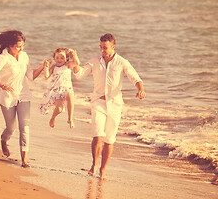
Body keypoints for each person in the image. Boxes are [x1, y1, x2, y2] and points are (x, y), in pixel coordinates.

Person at [74, 33, 146, 180]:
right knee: (98, 135)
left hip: (114, 104)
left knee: (110, 139)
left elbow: (135, 77)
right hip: (98, 102)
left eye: (105, 47)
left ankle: (103, 169)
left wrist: (141, 89)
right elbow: (80, 74)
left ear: (113, 46)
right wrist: (74, 62)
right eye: (100, 47)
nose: (102, 50)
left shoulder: (122, 62)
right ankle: (94, 165)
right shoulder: (95, 61)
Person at [0, 30, 47, 168]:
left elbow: (31, 76)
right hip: (7, 97)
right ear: (9, 45)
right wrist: (2, 85)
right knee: (11, 127)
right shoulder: (3, 59)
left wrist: (43, 67)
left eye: (22, 46)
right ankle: (4, 140)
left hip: (24, 95)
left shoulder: (24, 56)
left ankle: (24, 159)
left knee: (24, 127)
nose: (21, 49)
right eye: (18, 46)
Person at [39, 48, 80, 129]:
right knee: (59, 109)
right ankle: (53, 118)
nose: (59, 59)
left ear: (66, 58)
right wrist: (46, 67)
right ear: (54, 58)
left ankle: (70, 119)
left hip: (66, 88)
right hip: (56, 91)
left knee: (70, 96)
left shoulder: (67, 65)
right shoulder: (54, 67)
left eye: (62, 57)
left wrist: (74, 55)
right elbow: (46, 76)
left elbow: (76, 63)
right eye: (57, 57)